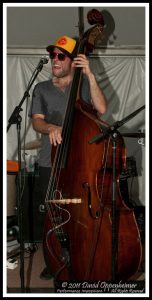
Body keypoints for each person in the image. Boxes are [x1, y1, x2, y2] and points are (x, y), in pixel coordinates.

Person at [28, 35, 107, 279]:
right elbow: (36, 122)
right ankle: (54, 260)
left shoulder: (84, 85)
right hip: (49, 161)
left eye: (61, 56)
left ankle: (82, 256)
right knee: (52, 215)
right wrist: (52, 128)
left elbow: (102, 109)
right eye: (53, 56)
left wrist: (91, 76)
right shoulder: (41, 89)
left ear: (73, 61)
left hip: (80, 163)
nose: (55, 60)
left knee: (80, 214)